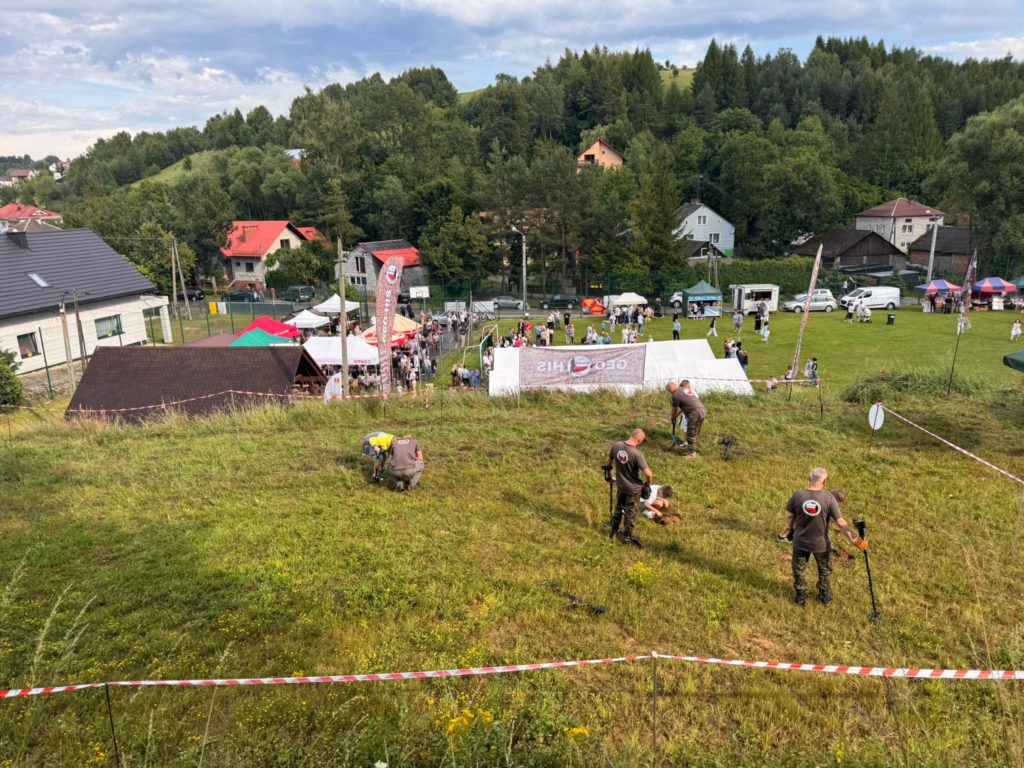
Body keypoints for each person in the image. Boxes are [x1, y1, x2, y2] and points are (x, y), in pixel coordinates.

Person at [778, 467, 867, 606]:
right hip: (821, 544)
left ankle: (801, 597)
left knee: (799, 571)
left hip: (800, 542)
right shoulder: (828, 498)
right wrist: (854, 540)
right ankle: (824, 596)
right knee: (825, 571)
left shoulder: (797, 495)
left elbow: (790, 517)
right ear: (824, 481)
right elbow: (840, 522)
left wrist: (788, 530)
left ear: (809, 479)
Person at [602, 428, 651, 546]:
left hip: (621, 485)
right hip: (633, 489)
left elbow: (608, 461)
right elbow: (648, 473)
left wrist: (608, 474)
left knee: (619, 506)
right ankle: (627, 535)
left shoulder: (616, 445)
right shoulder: (637, 454)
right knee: (631, 511)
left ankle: (614, 529)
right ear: (639, 440)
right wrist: (647, 484)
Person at [667, 380, 705, 458]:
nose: (670, 393)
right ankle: (692, 449)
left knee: (690, 433)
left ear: (671, 389)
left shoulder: (675, 395)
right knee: (694, 432)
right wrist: (676, 416)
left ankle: (692, 454)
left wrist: (673, 416)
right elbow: (685, 405)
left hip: (694, 413)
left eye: (669, 391)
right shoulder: (684, 389)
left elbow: (674, 409)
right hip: (702, 411)